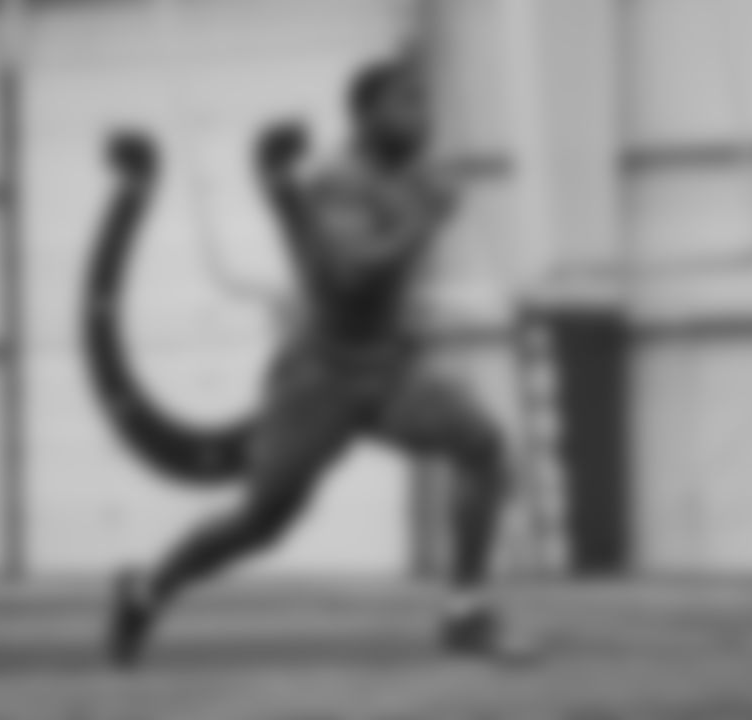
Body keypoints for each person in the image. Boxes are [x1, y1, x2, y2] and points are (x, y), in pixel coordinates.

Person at [106, 53, 511, 668]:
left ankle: (465, 611)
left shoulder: (418, 175)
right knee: (260, 523)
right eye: (406, 102)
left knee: (482, 444)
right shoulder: (338, 180)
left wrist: (425, 224)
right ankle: (145, 592)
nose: (423, 116)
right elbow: (351, 275)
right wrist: (425, 222)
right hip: (319, 379)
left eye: (425, 102)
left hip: (389, 369)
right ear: (365, 114)